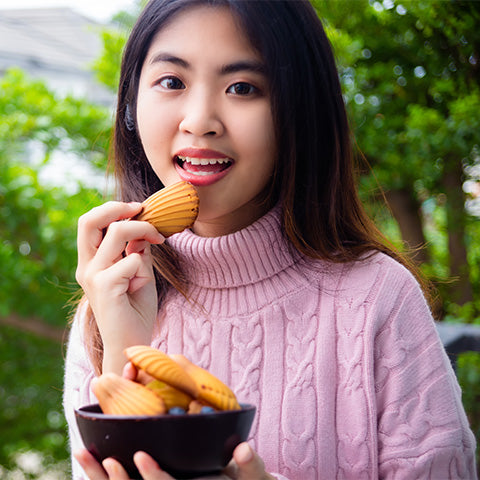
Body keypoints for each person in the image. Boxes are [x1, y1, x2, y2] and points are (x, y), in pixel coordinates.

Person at [63, 0, 477, 479]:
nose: (200, 121)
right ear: (132, 105)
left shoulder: (378, 299)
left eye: (243, 87)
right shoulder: (107, 305)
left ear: (298, 114)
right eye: (172, 81)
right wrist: (123, 352)